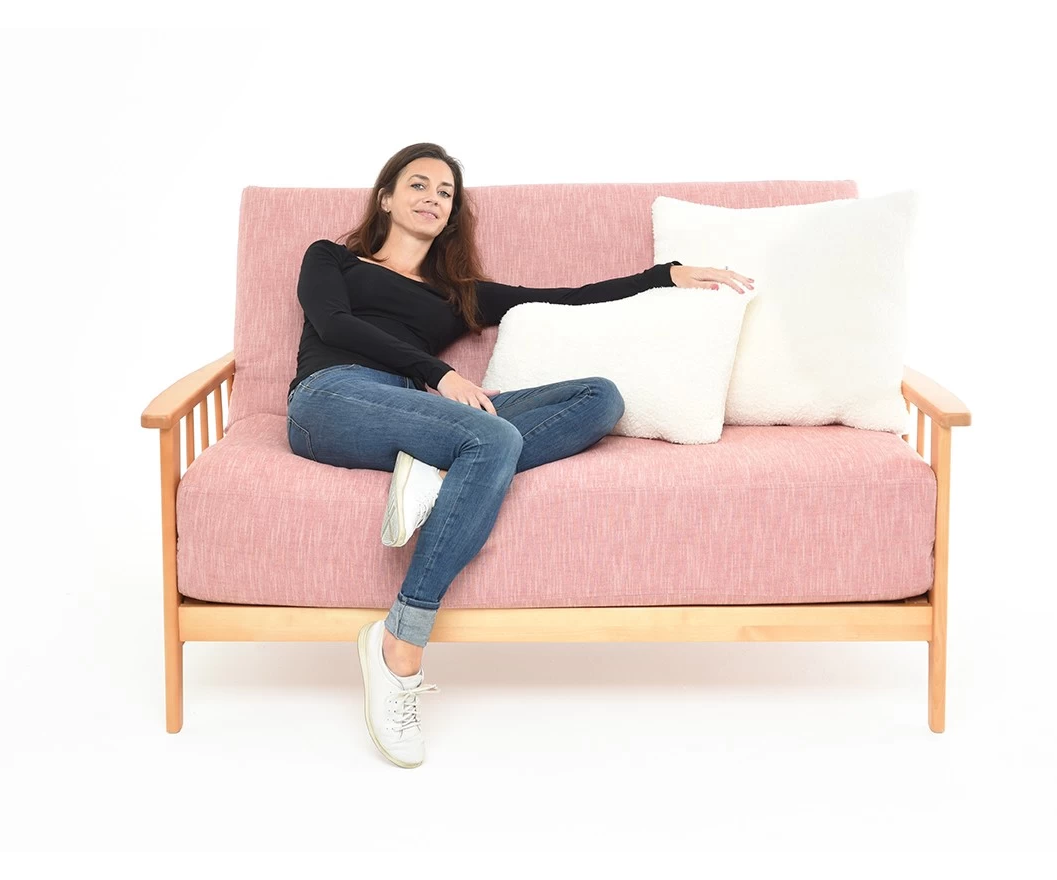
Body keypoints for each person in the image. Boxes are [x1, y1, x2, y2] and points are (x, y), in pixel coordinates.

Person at [286, 142, 754, 768]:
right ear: (387, 198)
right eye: (419, 185)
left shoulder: (457, 295)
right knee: (494, 437)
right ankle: (401, 642)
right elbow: (335, 324)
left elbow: (568, 297)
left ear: (451, 215)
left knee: (600, 397)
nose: (432, 198)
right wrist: (439, 373)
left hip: (414, 409)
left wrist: (662, 276)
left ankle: (444, 468)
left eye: (445, 193)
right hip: (331, 398)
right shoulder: (331, 258)